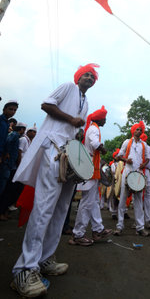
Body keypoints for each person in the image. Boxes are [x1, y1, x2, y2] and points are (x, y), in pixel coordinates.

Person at [11, 63, 99, 298]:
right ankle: (24, 269)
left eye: (93, 76)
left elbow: (76, 127)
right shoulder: (68, 87)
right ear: (78, 77)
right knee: (44, 209)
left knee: (61, 211)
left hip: (68, 155)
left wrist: (78, 132)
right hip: (53, 150)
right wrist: (71, 120)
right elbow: (46, 104)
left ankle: (44, 259)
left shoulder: (86, 101)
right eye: (86, 73)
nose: (89, 77)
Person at [69, 106, 112, 246]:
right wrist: (103, 148)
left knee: (92, 201)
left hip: (91, 168)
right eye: (104, 119)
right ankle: (78, 235)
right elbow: (95, 143)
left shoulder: (93, 128)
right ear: (100, 119)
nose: (105, 121)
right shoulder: (94, 128)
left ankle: (98, 229)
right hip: (90, 169)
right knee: (87, 203)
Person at [114, 121, 150, 236]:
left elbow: (148, 158)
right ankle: (119, 226)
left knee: (138, 201)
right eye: (137, 129)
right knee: (123, 199)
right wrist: (126, 160)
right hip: (127, 172)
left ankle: (140, 227)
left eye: (141, 130)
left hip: (139, 175)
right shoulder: (126, 142)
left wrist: (144, 165)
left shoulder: (144, 145)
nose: (139, 131)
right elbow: (118, 156)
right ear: (133, 130)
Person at [0, 122, 26, 219]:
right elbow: (8, 142)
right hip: (9, 164)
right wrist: (6, 153)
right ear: (22, 129)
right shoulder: (15, 135)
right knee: (7, 190)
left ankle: (4, 212)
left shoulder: (16, 135)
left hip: (11, 165)